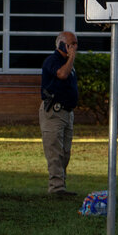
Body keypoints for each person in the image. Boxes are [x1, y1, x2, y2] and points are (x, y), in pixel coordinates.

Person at [38, 30, 79, 196]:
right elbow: (61, 74)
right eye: (72, 43)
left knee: (65, 153)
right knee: (54, 151)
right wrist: (71, 57)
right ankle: (56, 188)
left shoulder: (69, 62)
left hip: (67, 113)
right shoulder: (53, 60)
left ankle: (61, 184)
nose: (76, 47)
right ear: (62, 44)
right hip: (54, 112)